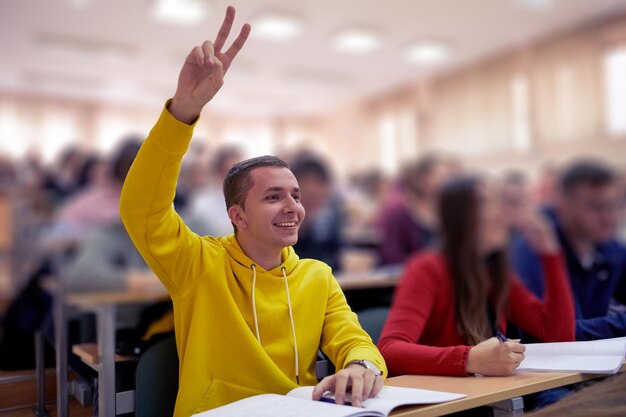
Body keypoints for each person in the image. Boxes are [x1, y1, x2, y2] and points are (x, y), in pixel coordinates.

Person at [119, 7, 386, 416]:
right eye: (273, 196)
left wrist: (362, 365)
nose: (293, 207)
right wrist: (182, 113)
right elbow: (142, 209)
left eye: (295, 195)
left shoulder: (317, 277)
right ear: (237, 215)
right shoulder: (198, 264)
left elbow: (352, 338)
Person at [378, 175, 575, 377]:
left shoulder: (493, 270)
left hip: (489, 396)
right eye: (487, 203)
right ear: (460, 217)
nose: (502, 213)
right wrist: (469, 359)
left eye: (499, 202)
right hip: (449, 400)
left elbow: (558, 335)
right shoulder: (427, 269)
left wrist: (550, 255)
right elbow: (389, 351)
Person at [510, 159, 626, 408]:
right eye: (595, 207)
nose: (609, 217)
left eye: (614, 205)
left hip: (597, 369)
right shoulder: (535, 248)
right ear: (564, 206)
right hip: (545, 379)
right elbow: (558, 334)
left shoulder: (611, 248)